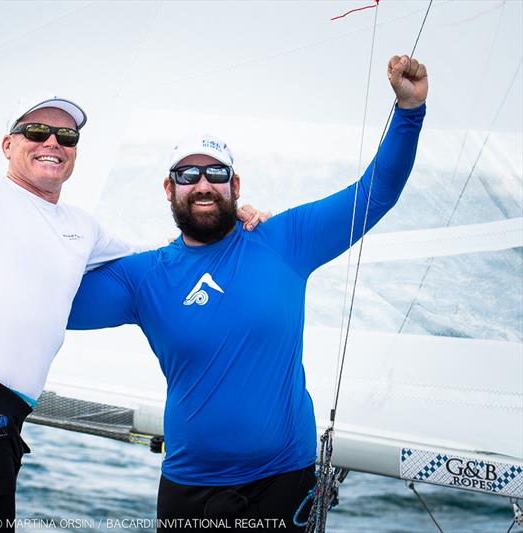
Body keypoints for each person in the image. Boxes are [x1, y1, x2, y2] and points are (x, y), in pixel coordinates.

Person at [0, 27, 267, 533]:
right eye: (37, 132)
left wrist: (235, 221)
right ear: (9, 144)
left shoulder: (83, 228)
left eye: (67, 136)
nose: (53, 142)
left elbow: (166, 264)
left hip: (1, 422)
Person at [68, 54, 428, 531]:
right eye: (187, 174)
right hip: (188, 489)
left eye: (215, 173)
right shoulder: (144, 276)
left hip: (281, 483)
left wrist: (409, 112)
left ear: (235, 185)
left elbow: (376, 192)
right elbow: (51, 301)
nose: (202, 184)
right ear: (168, 188)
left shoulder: (285, 240)